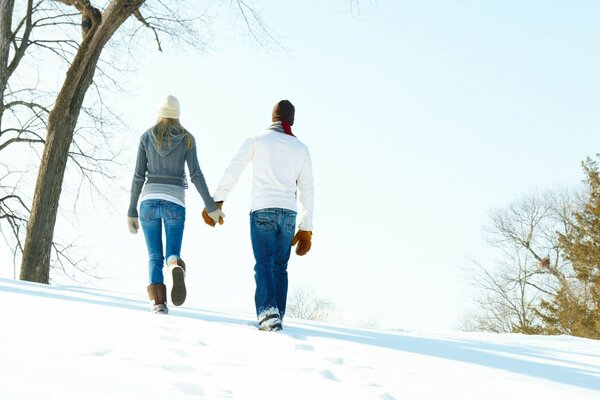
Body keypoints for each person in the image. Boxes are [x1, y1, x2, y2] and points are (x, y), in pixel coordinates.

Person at [203, 100, 314, 331]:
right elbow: (307, 189)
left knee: (263, 263)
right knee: (280, 266)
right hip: (288, 214)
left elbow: (233, 170)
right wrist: (306, 227)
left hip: (262, 209)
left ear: (273, 118)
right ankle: (277, 313)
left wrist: (217, 200)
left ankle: (268, 313)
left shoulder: (256, 140)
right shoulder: (301, 149)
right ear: (291, 121)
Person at [127, 95, 224, 314]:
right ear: (177, 115)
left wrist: (131, 210)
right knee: (171, 253)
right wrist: (211, 206)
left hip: (148, 201)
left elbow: (137, 176)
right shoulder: (187, 139)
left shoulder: (146, 137)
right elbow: (196, 175)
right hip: (175, 202)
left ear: (159, 113)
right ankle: (175, 266)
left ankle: (158, 304)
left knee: (154, 256)